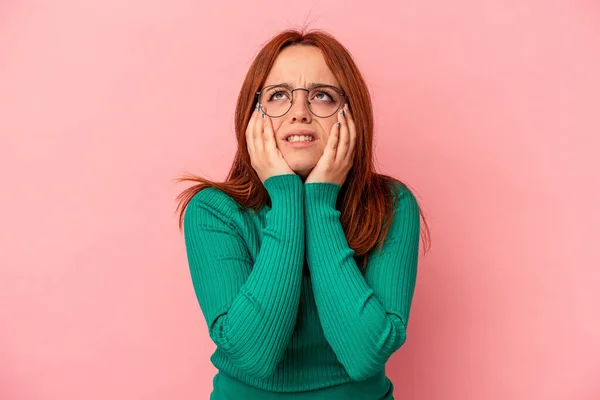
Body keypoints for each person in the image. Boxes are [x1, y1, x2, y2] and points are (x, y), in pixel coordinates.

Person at [176, 28, 431, 400]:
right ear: (253, 115)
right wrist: (286, 196)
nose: (299, 113)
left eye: (322, 96)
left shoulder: (390, 204)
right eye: (278, 95)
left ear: (351, 113)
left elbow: (364, 356)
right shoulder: (213, 211)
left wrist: (319, 201)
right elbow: (251, 355)